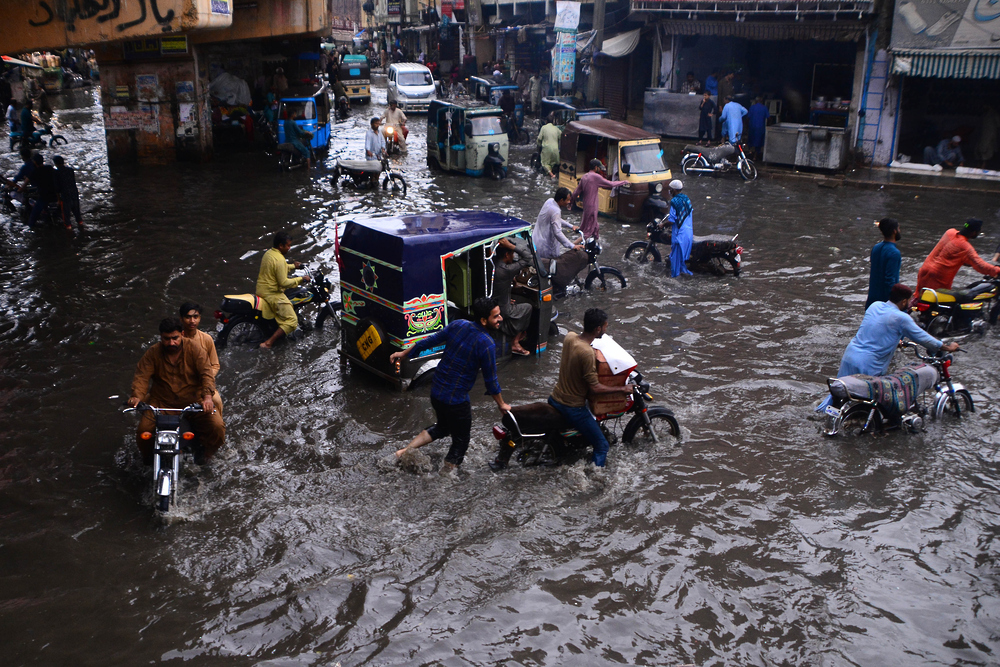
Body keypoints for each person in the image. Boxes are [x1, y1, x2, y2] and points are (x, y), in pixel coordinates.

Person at [390, 297, 512, 474]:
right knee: (461, 441)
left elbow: (427, 342)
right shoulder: (486, 344)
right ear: (484, 320)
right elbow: (491, 382)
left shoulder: (459, 325)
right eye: (496, 316)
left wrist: (403, 353)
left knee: (443, 426)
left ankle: (404, 451)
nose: (500, 319)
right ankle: (445, 477)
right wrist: (501, 404)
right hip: (456, 400)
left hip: (437, 392)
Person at [816, 284, 959, 411]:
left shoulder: (875, 305)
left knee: (840, 394)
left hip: (850, 356)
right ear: (904, 301)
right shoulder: (901, 318)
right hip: (868, 363)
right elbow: (924, 339)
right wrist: (947, 347)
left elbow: (874, 330)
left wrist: (895, 342)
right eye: (908, 301)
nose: (909, 304)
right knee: (874, 403)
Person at [128, 318, 225, 464]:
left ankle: (207, 455)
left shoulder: (196, 349)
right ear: (161, 337)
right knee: (143, 431)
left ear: (182, 334)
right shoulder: (153, 353)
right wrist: (136, 397)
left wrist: (207, 398)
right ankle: (148, 460)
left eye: (175, 338)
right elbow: (141, 378)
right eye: (166, 339)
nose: (171, 343)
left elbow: (207, 375)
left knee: (217, 427)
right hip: (161, 402)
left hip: (193, 401)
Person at [548, 308, 635, 467]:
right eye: (605, 326)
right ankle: (594, 479)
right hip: (572, 406)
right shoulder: (587, 352)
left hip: (556, 396)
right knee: (602, 445)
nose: (606, 329)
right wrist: (622, 389)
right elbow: (595, 388)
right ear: (598, 329)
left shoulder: (570, 336)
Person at [916, 218, 1000, 295]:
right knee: (939, 302)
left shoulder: (949, 232)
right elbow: (980, 266)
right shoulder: (966, 248)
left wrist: (965, 261)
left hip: (924, 270)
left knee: (919, 297)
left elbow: (949, 254)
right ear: (974, 232)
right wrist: (996, 270)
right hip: (938, 278)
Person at [256, 231, 311, 350]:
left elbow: (279, 267)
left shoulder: (269, 254)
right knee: (292, 320)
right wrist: (301, 279)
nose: (289, 248)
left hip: (261, 290)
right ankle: (268, 343)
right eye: (288, 245)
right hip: (272, 294)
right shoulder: (280, 259)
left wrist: (293, 266)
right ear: (281, 246)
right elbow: (284, 283)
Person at [533, 187, 587, 293]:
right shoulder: (556, 210)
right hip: (546, 246)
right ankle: (556, 289)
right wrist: (572, 246)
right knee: (554, 269)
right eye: (567, 200)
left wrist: (571, 226)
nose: (568, 202)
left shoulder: (549, 202)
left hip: (537, 240)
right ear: (561, 200)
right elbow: (557, 233)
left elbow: (556, 219)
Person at [179, 302, 223, 415]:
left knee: (217, 401)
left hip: (202, 383)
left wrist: (205, 378)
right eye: (188, 317)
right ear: (181, 319)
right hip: (179, 382)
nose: (192, 321)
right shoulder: (175, 339)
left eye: (195, 317)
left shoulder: (207, 339)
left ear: (200, 318)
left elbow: (215, 365)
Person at [493, 238, 534, 356]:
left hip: (497, 300)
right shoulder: (506, 269)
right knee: (528, 307)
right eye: (512, 254)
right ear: (507, 254)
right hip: (503, 309)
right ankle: (515, 342)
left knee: (515, 300)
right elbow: (528, 258)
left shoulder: (493, 263)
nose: (513, 257)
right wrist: (511, 246)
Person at [571, 159, 627, 239]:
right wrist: (624, 182)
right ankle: (573, 245)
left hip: (586, 206)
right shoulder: (596, 177)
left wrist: (571, 202)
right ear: (596, 167)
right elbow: (610, 184)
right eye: (599, 168)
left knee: (595, 227)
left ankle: (595, 244)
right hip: (593, 206)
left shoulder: (584, 177)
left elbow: (576, 192)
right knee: (588, 231)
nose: (599, 170)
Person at [865, 218, 902, 310]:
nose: (899, 230)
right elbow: (890, 281)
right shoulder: (894, 253)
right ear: (894, 231)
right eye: (899, 228)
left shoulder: (876, 248)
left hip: (872, 301)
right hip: (885, 303)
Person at [17, 153, 58, 227]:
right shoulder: (49, 168)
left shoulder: (34, 172)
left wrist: (19, 190)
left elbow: (24, 185)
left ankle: (30, 228)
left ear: (34, 162)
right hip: (55, 195)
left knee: (33, 217)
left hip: (44, 197)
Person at [664, 180, 693, 277]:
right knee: (680, 259)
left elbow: (672, 220)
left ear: (673, 190)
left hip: (680, 234)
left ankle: (675, 280)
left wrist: (662, 225)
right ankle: (682, 273)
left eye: (670, 190)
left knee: (675, 258)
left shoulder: (674, 201)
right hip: (688, 232)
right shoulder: (686, 199)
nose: (669, 191)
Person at [52, 155, 83, 230]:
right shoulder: (70, 170)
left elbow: (57, 188)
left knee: (66, 217)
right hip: (74, 194)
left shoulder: (56, 173)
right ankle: (82, 228)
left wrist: (59, 200)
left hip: (65, 196)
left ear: (55, 164)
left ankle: (69, 234)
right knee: (77, 214)